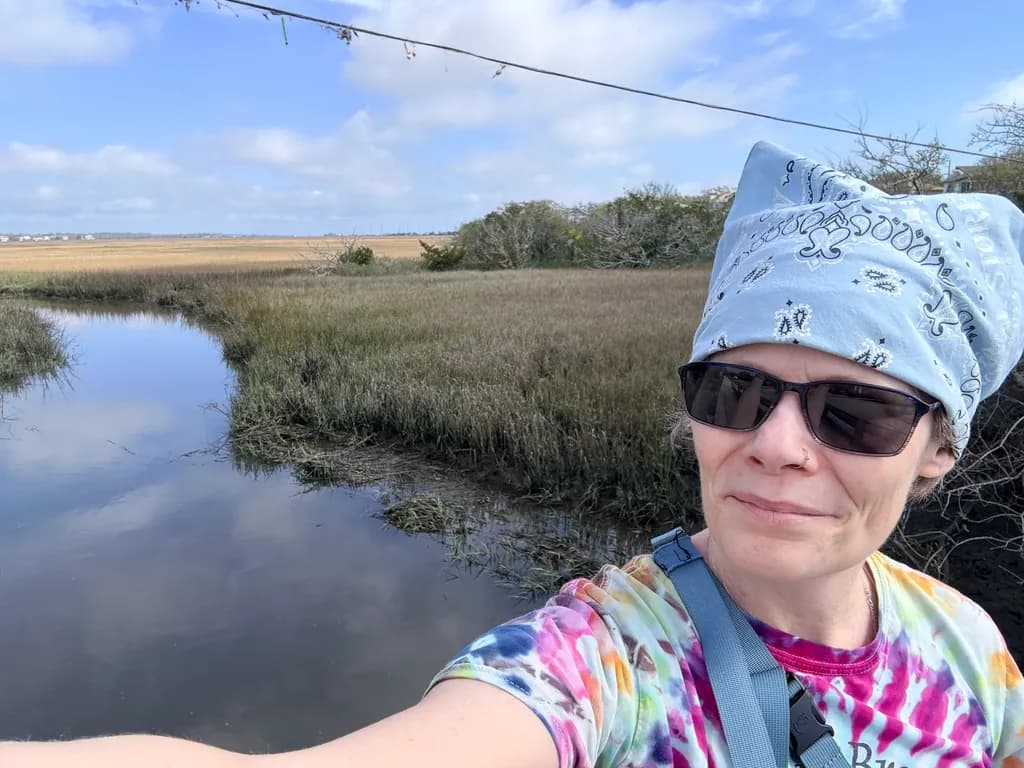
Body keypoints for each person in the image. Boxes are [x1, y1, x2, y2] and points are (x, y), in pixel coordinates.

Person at [3, 141, 1022, 767]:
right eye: (735, 392)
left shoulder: (967, 645)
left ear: (937, 448)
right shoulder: (599, 662)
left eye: (855, 412)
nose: (775, 446)